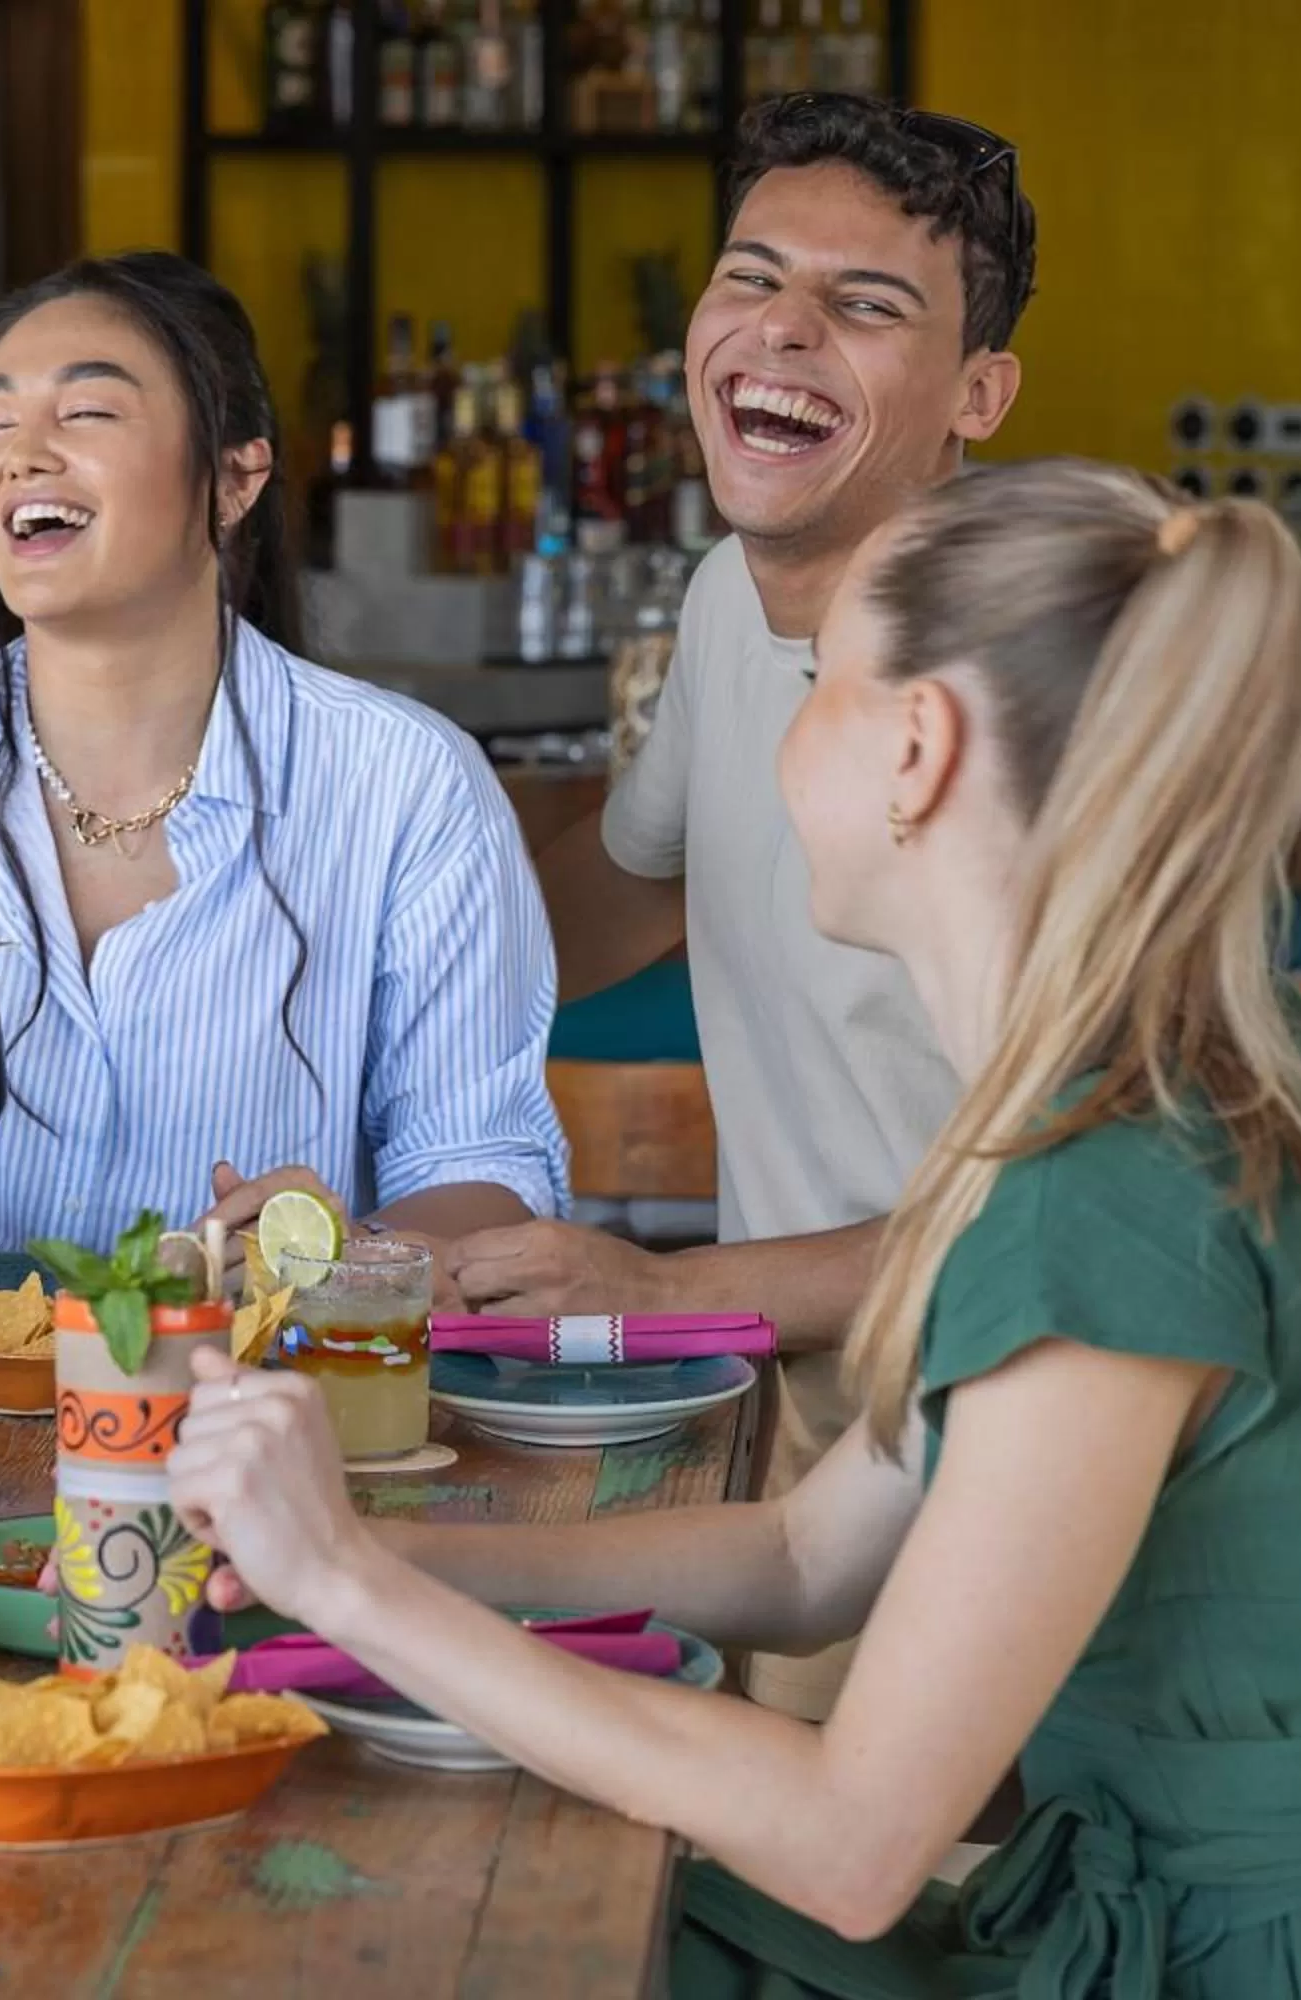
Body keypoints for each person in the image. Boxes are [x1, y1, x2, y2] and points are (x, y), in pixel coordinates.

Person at [173, 459, 1301, 1995]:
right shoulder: (1103, 1113)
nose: (783, 732)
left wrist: (347, 1583)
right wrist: (364, 1547)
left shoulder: (1111, 1192)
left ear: (916, 751)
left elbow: (856, 1843)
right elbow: (806, 1558)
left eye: (823, 687)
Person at [0, 252, 568, 1305]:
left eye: (86, 412)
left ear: (234, 479)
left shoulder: (406, 786)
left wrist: (341, 1253)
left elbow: (484, 1179)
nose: (23, 455)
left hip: (249, 1424)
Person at [451, 94, 1034, 1716]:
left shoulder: (1023, 689)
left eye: (865, 306)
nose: (780, 332)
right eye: (751, 278)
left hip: (1005, 1404)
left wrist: (661, 1285)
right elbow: (636, 881)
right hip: (788, 1400)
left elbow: (1077, 1211)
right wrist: (356, 1014)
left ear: (978, 393)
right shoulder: (726, 598)